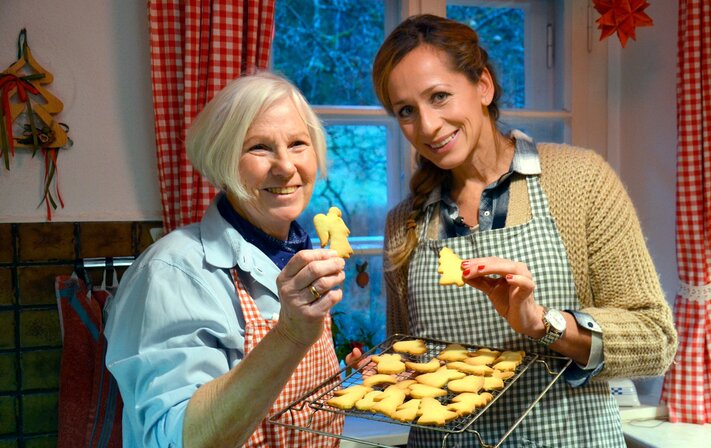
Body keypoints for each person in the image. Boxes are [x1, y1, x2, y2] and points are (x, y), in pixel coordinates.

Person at [372, 14, 678, 447]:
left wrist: (542, 323)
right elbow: (411, 358)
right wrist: (387, 373)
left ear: (483, 85)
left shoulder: (578, 180)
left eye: (439, 97)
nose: (427, 126)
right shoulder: (404, 223)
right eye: (406, 111)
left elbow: (654, 338)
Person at [105, 72, 349, 447]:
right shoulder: (171, 272)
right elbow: (177, 439)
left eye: (298, 143)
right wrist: (288, 334)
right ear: (222, 160)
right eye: (259, 148)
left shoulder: (296, 252)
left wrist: (345, 380)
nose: (285, 167)